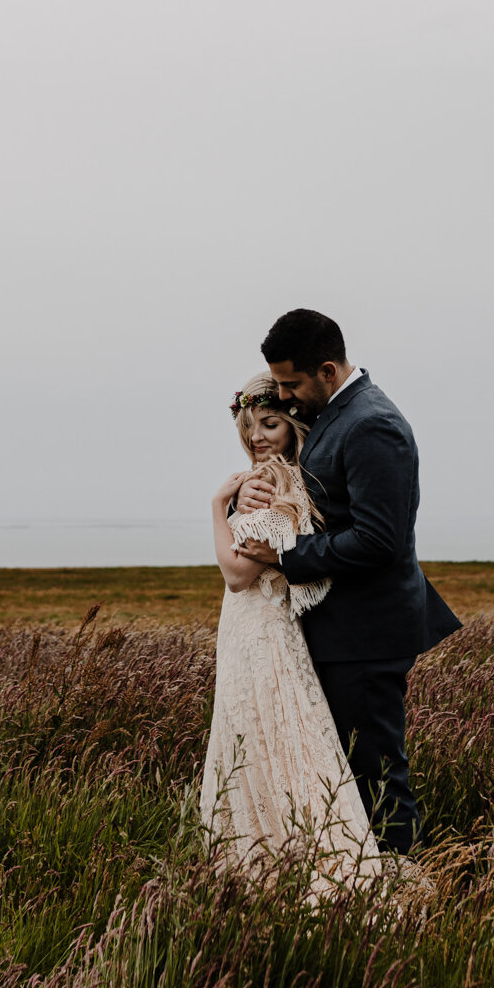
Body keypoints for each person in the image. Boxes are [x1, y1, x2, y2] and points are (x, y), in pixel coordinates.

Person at [232, 309, 461, 855]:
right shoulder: (338, 415)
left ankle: (407, 888)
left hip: (368, 631)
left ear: (328, 370)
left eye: (291, 383)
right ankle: (366, 886)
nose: (284, 397)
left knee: (376, 773)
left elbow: (379, 540)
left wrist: (284, 555)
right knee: (349, 770)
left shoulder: (372, 424)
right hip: (345, 628)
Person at [199, 374, 382, 896]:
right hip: (255, 629)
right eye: (249, 426)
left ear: (294, 424)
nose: (257, 436)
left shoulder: (269, 483)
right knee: (265, 739)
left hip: (260, 629)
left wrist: (217, 507)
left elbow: (237, 575)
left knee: (267, 738)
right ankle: (268, 854)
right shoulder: (281, 476)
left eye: (270, 423)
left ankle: (272, 862)